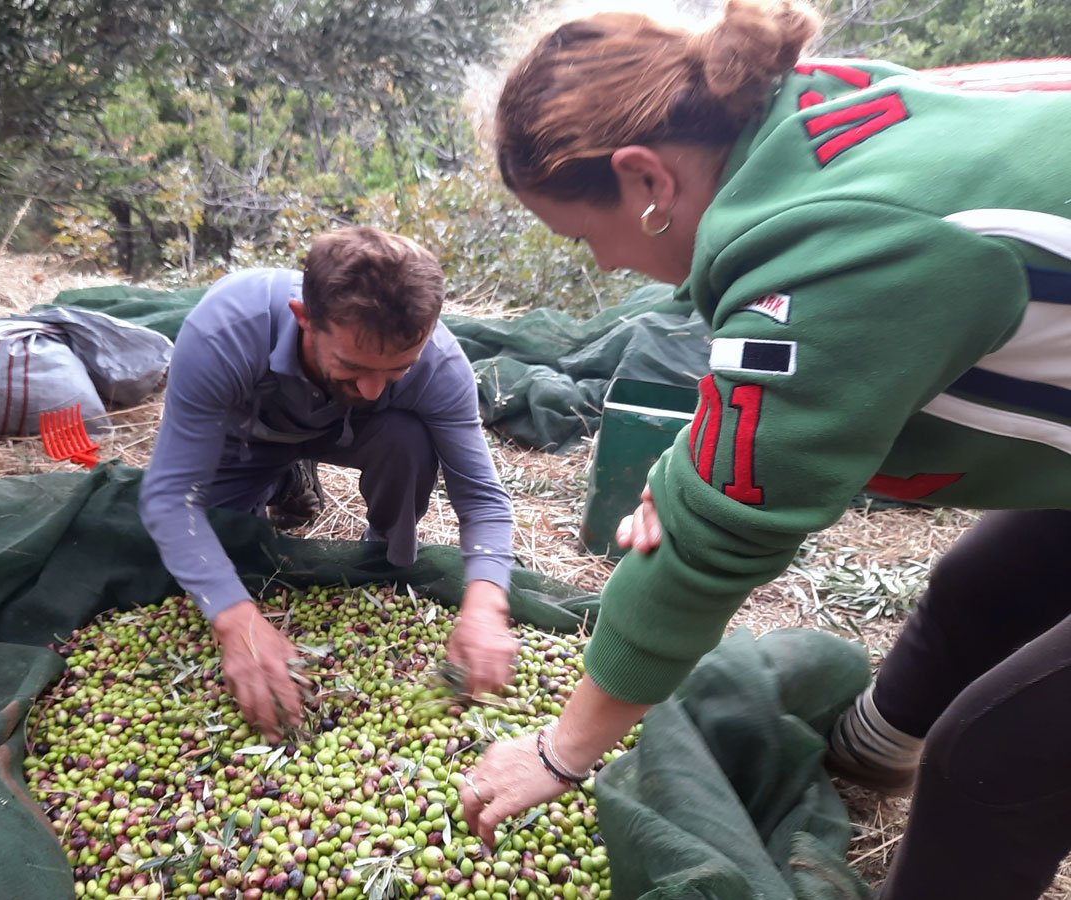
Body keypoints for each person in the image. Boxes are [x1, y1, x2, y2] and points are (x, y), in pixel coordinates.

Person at [455, 2, 1071, 897]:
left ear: (645, 180)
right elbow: (768, 403)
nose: (599, 267)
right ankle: (862, 758)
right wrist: (691, 472)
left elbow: (719, 539)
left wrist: (560, 752)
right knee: (983, 586)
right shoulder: (804, 114)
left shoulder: (837, 246)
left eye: (582, 237)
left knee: (990, 761)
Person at [139, 226, 519, 743]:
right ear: (305, 319)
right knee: (221, 550)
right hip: (249, 434)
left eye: (396, 370)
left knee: (408, 439)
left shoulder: (441, 366)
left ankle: (379, 553)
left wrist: (486, 602)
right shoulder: (225, 331)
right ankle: (281, 478)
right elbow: (168, 496)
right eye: (353, 366)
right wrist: (235, 619)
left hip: (357, 434)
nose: (370, 386)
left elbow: (483, 499)